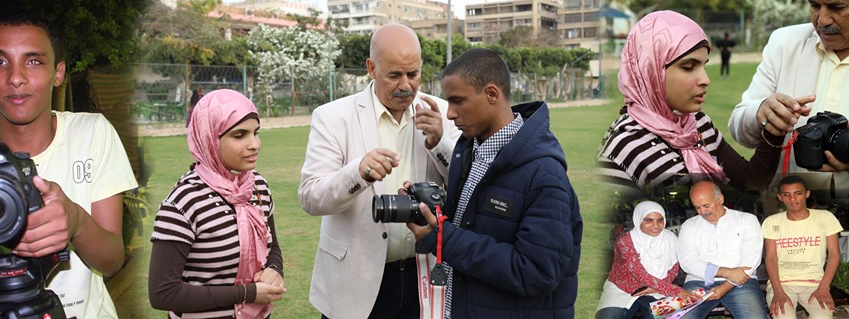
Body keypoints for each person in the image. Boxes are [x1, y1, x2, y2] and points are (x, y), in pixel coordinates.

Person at [0, 9, 137, 318]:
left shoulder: (92, 131)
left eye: (34, 61)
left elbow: (112, 261)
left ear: (58, 73)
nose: (16, 77)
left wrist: (77, 220)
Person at [297, 23, 460, 318]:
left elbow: (466, 187)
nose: (406, 85)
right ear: (371, 68)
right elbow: (311, 197)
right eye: (394, 75)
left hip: (423, 277)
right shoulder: (333, 117)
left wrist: (440, 144)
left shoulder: (441, 113)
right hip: (353, 283)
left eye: (414, 74)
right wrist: (357, 173)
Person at [405, 48, 582, 318]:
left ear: (491, 94)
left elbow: (537, 273)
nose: (449, 113)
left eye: (458, 101)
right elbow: (472, 227)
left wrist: (442, 238)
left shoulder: (544, 175)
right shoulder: (468, 151)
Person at [597, 10, 782, 197]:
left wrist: (773, 128)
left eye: (704, 65)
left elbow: (750, 182)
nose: (705, 79)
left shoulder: (699, 123)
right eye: (689, 67)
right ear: (651, 70)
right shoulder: (623, 149)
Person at [149, 89, 286, 318]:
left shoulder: (257, 187)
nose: (255, 144)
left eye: (256, 132)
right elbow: (163, 293)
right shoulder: (184, 202)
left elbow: (272, 246)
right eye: (240, 135)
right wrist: (247, 293)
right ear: (210, 137)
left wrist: (274, 269)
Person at [727, 0, 849, 203]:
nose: (822, 20)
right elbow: (739, 128)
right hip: (786, 218)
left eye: (837, 8)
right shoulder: (784, 42)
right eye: (815, 6)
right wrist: (762, 111)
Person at [678, 181, 768, 319]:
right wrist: (726, 272)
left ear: (720, 199)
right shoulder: (689, 226)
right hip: (698, 282)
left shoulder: (746, 220)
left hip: (742, 282)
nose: (703, 212)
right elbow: (687, 262)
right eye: (697, 208)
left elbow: (751, 260)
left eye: (706, 206)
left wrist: (725, 286)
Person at [595, 201, 699, 319]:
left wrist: (655, 288)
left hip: (658, 288)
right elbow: (640, 274)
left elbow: (674, 268)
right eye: (648, 220)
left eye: (660, 220)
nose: (656, 225)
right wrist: (677, 291)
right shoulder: (625, 241)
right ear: (638, 219)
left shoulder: (669, 238)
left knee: (665, 316)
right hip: (622, 290)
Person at [762, 175, 843, 319]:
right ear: (780, 197)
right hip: (782, 283)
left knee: (823, 317)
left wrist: (824, 287)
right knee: (784, 316)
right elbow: (771, 258)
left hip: (815, 283)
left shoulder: (825, 217)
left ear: (807, 194)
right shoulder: (771, 222)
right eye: (786, 195)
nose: (792, 199)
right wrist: (778, 291)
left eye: (798, 193)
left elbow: (834, 254)